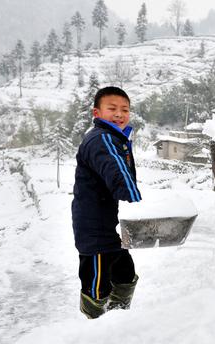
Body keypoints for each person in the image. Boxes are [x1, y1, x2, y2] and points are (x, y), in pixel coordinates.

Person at [71, 86, 142, 319]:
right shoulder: (103, 139)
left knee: (125, 274)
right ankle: (94, 326)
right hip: (95, 231)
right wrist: (134, 199)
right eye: (112, 109)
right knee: (97, 286)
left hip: (106, 225)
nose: (119, 114)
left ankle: (118, 321)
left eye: (125, 109)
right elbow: (116, 170)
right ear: (97, 113)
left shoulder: (112, 137)